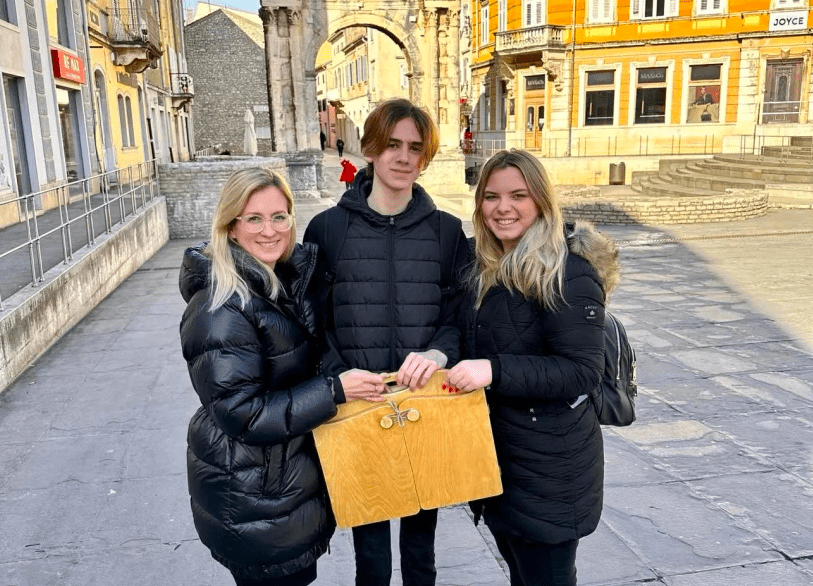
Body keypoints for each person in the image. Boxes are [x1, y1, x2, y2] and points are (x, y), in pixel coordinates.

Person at [179, 168, 386, 586]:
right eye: (254, 218)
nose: (269, 230)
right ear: (231, 226)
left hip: (280, 487)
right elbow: (243, 415)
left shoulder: (278, 281)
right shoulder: (220, 308)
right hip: (255, 495)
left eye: (279, 217)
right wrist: (334, 391)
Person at [304, 98, 470, 586]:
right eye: (393, 144)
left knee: (421, 548)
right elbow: (312, 322)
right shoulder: (328, 229)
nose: (403, 157)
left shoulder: (446, 232)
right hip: (360, 405)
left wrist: (439, 353)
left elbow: (459, 315)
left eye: (415, 148)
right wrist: (339, 375)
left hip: (424, 403)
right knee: (371, 552)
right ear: (371, 149)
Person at [445, 149, 620, 586]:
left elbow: (581, 371)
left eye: (518, 195)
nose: (502, 208)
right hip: (499, 459)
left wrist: (492, 370)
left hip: (550, 468)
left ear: (541, 200)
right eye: (491, 196)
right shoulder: (480, 265)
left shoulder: (568, 272)